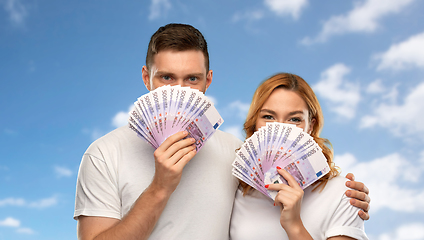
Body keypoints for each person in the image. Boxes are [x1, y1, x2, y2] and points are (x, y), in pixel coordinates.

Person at [74, 23, 370, 240]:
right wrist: (160, 188)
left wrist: (348, 196)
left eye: (192, 78)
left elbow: (284, 173)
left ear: (208, 81)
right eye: (166, 77)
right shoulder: (104, 154)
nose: (179, 90)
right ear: (146, 78)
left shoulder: (235, 154)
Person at [230, 73, 368, 240]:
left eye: (294, 119)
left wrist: (294, 226)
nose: (280, 129)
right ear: (254, 123)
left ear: (311, 125)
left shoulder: (343, 194)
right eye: (268, 117)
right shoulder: (235, 191)